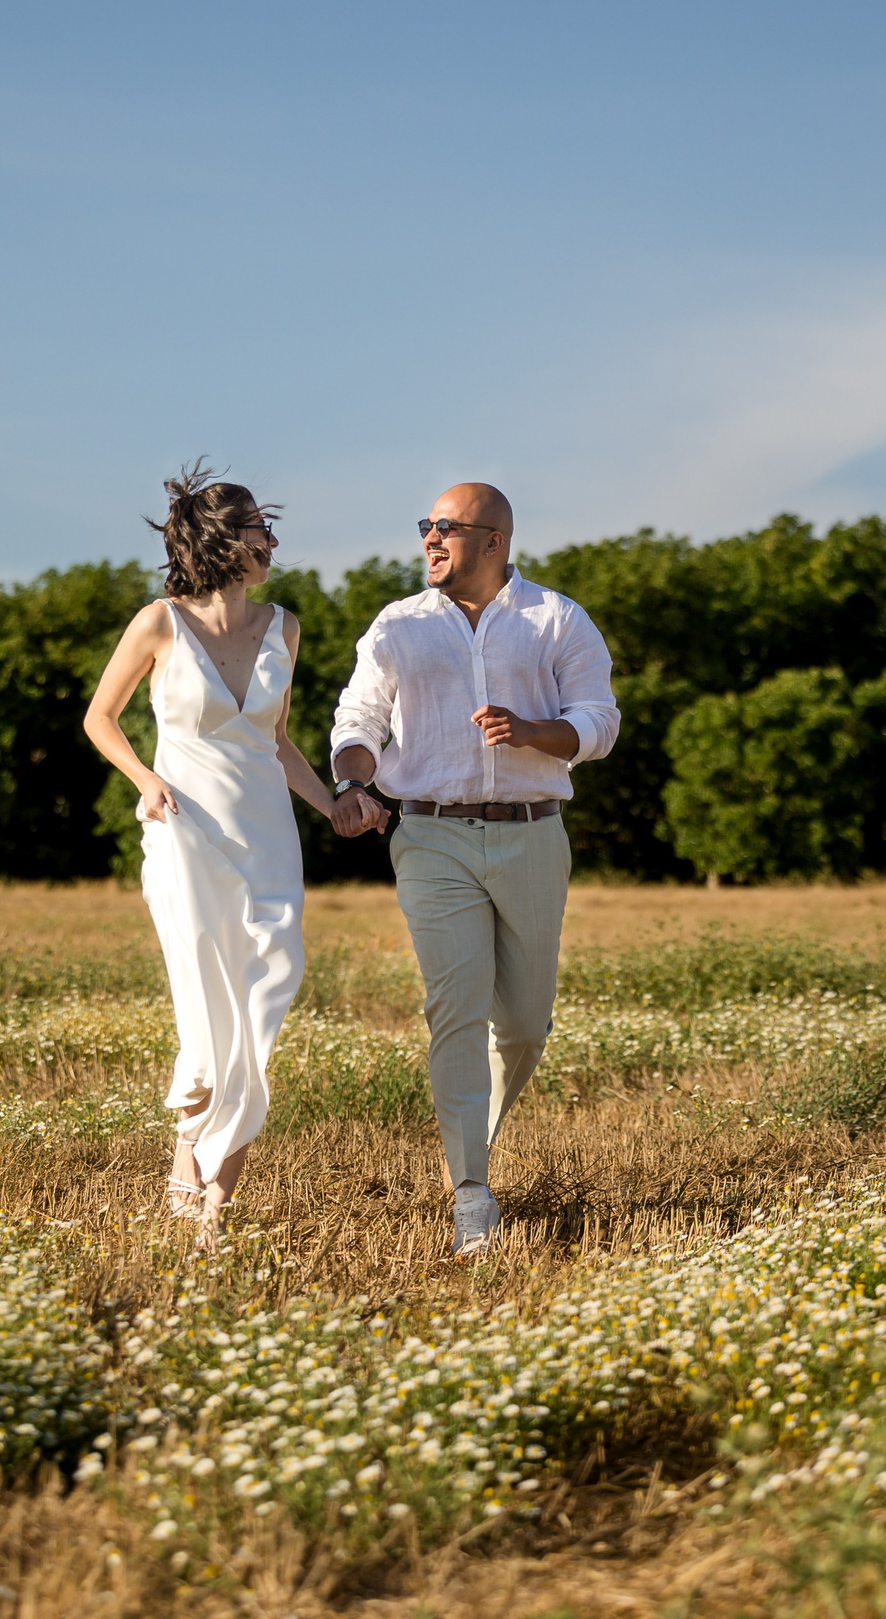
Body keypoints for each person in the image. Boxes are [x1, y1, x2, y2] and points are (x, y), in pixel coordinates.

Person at [327, 483, 619, 1255]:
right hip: (429, 837)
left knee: (523, 1024)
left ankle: (474, 1148)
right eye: (426, 526)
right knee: (454, 1007)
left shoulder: (555, 618)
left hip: (533, 834)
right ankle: (472, 1194)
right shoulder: (398, 626)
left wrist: (533, 731)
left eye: (446, 529)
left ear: (494, 540)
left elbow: (599, 722)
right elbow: (357, 719)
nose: (429, 539)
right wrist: (354, 783)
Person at [84, 464, 340, 1243]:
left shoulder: (284, 627)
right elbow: (101, 718)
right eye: (260, 527)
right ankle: (197, 1190)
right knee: (207, 1016)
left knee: (265, 999)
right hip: (184, 834)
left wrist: (334, 807)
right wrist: (145, 779)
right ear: (225, 540)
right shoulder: (159, 623)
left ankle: (209, 1193)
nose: (271, 541)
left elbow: (278, 743)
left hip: (266, 837)